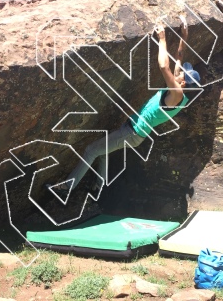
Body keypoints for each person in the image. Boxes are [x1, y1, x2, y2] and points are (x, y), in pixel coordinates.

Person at [47, 16, 200, 199]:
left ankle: (67, 188)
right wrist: (184, 36)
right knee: (102, 152)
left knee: (91, 150)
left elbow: (163, 67)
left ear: (183, 83)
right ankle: (98, 187)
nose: (180, 70)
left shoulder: (177, 94)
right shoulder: (180, 94)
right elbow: (179, 58)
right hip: (134, 130)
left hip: (133, 132)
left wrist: (162, 39)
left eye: (183, 73)